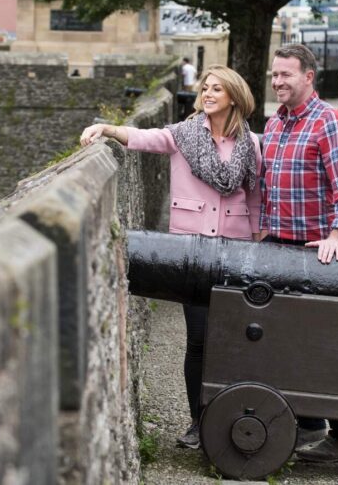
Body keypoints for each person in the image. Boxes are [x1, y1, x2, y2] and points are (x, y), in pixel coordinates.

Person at [80, 65, 261, 449]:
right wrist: (107, 129)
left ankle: (229, 417)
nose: (208, 93)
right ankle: (198, 422)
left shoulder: (250, 143)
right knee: (197, 339)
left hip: (236, 250)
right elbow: (145, 137)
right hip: (190, 253)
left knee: (232, 341)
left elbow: (255, 196)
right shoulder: (184, 135)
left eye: (217, 89)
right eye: (205, 88)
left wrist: (259, 240)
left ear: (234, 96)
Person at [261, 44, 338, 462]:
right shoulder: (275, 124)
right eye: (274, 74)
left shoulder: (330, 122)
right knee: (275, 339)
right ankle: (307, 424)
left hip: (317, 252)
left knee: (320, 348)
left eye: (285, 74)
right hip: (279, 245)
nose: (277, 81)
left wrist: (337, 236)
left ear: (309, 77)